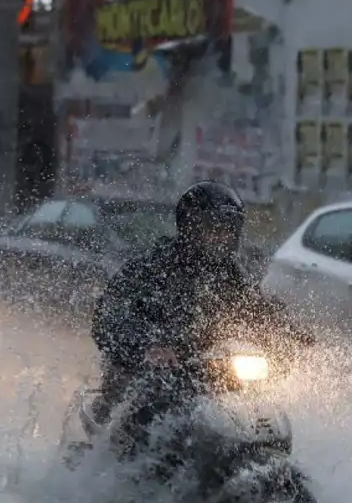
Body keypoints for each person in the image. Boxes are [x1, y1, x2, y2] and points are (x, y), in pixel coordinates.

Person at [89, 180, 309, 436]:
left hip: (205, 372)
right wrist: (148, 346)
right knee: (144, 412)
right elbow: (108, 317)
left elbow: (258, 309)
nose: (221, 236)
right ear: (189, 227)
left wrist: (293, 336)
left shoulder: (231, 275)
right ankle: (126, 465)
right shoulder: (148, 269)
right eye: (212, 228)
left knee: (252, 408)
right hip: (146, 371)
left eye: (227, 229)